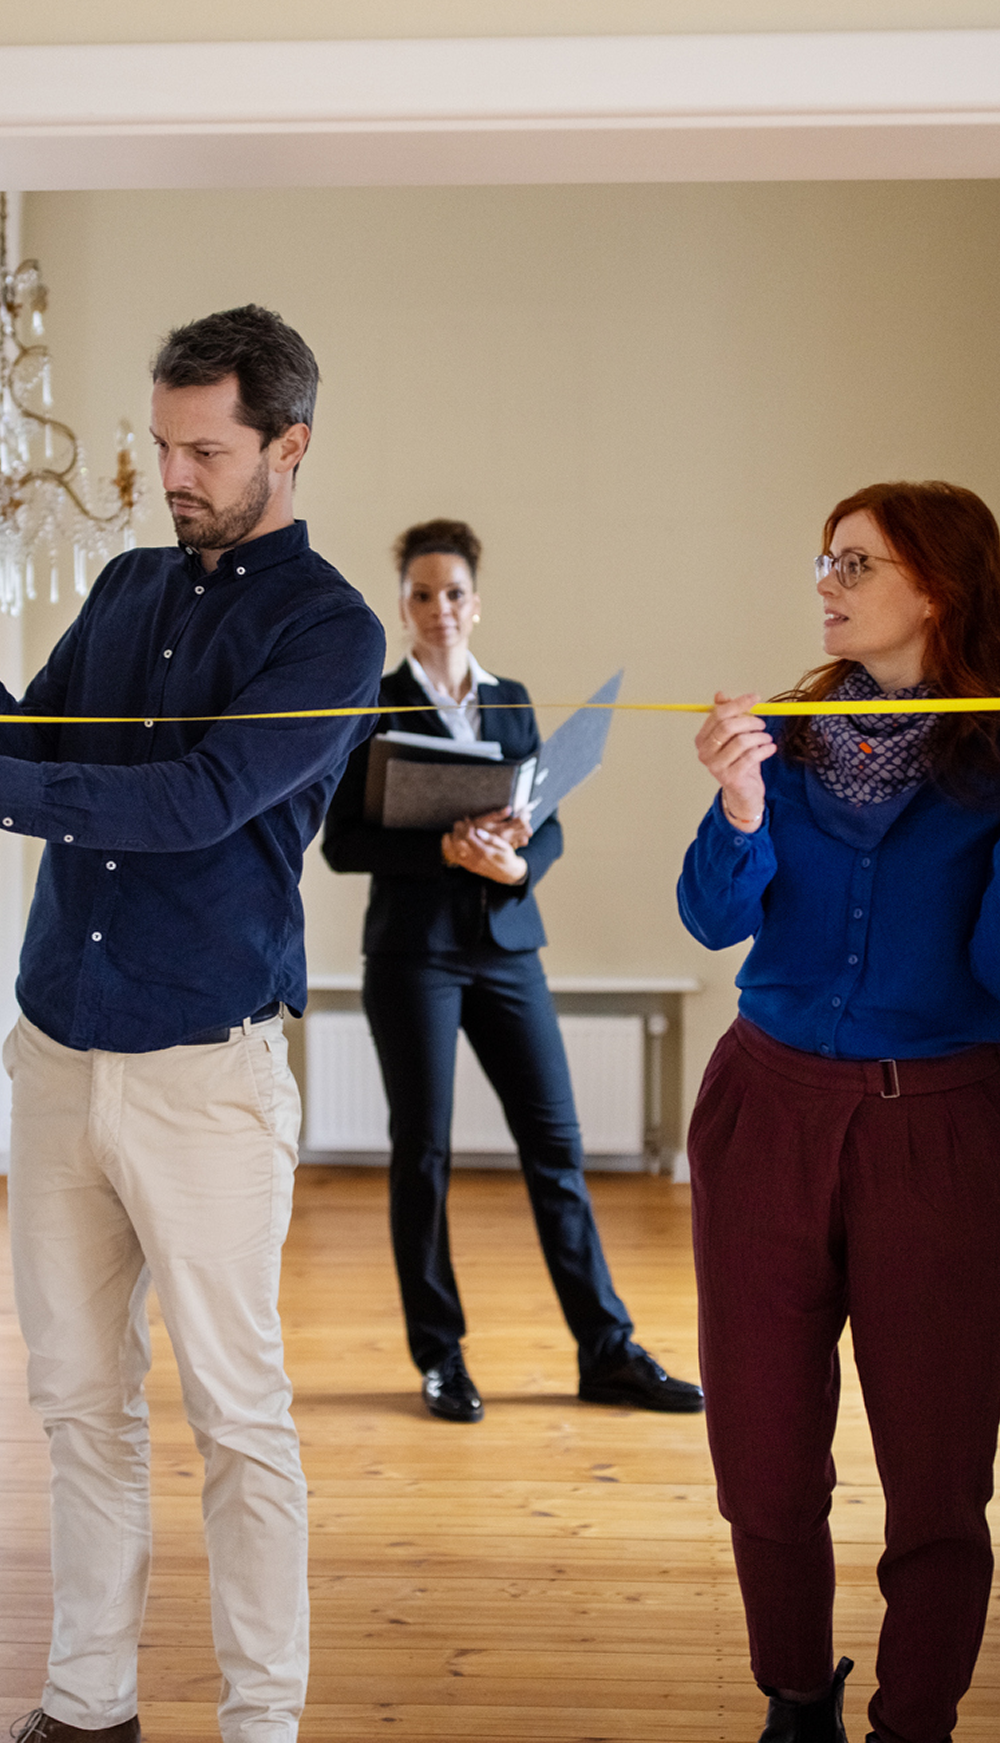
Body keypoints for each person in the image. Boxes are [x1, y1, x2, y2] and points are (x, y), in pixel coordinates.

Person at [0, 306, 386, 1743]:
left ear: (288, 446)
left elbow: (196, 804)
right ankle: (86, 1705)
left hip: (205, 1073)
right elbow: (52, 755)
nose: (175, 474)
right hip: (58, 1052)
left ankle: (260, 1721)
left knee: (237, 1413)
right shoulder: (126, 586)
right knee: (77, 1403)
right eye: (161, 445)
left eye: (206, 449)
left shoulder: (331, 628)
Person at [677, 481, 1000, 1743]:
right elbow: (713, 920)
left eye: (855, 565)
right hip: (766, 1111)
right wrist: (741, 809)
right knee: (762, 1456)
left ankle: (916, 1717)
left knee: (936, 1471)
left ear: (938, 588)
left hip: (940, 1132)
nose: (826, 582)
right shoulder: (781, 736)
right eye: (826, 559)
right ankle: (796, 1695)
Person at [321, 518, 703, 1424]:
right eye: (422, 593)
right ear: (403, 605)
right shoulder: (371, 705)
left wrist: (519, 860)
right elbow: (343, 844)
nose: (440, 608)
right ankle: (441, 1357)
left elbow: (550, 817)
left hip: (508, 948)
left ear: (475, 602)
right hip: (412, 955)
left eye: (454, 592)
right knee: (423, 1154)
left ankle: (606, 1350)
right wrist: (447, 851)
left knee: (556, 1149)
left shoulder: (513, 699)